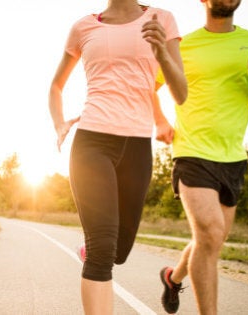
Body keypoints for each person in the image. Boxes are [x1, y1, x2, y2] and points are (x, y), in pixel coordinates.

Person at [48, 1, 187, 313]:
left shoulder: (162, 19)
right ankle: (95, 249)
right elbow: (56, 86)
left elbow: (181, 93)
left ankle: (95, 248)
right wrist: (59, 123)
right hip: (92, 143)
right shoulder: (84, 27)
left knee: (119, 251)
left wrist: (162, 53)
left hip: (136, 146)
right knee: (102, 250)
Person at [157, 0, 248, 314]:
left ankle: (173, 277)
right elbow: (149, 86)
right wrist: (159, 121)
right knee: (210, 233)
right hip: (191, 151)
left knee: (211, 240)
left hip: (233, 157)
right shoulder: (184, 45)